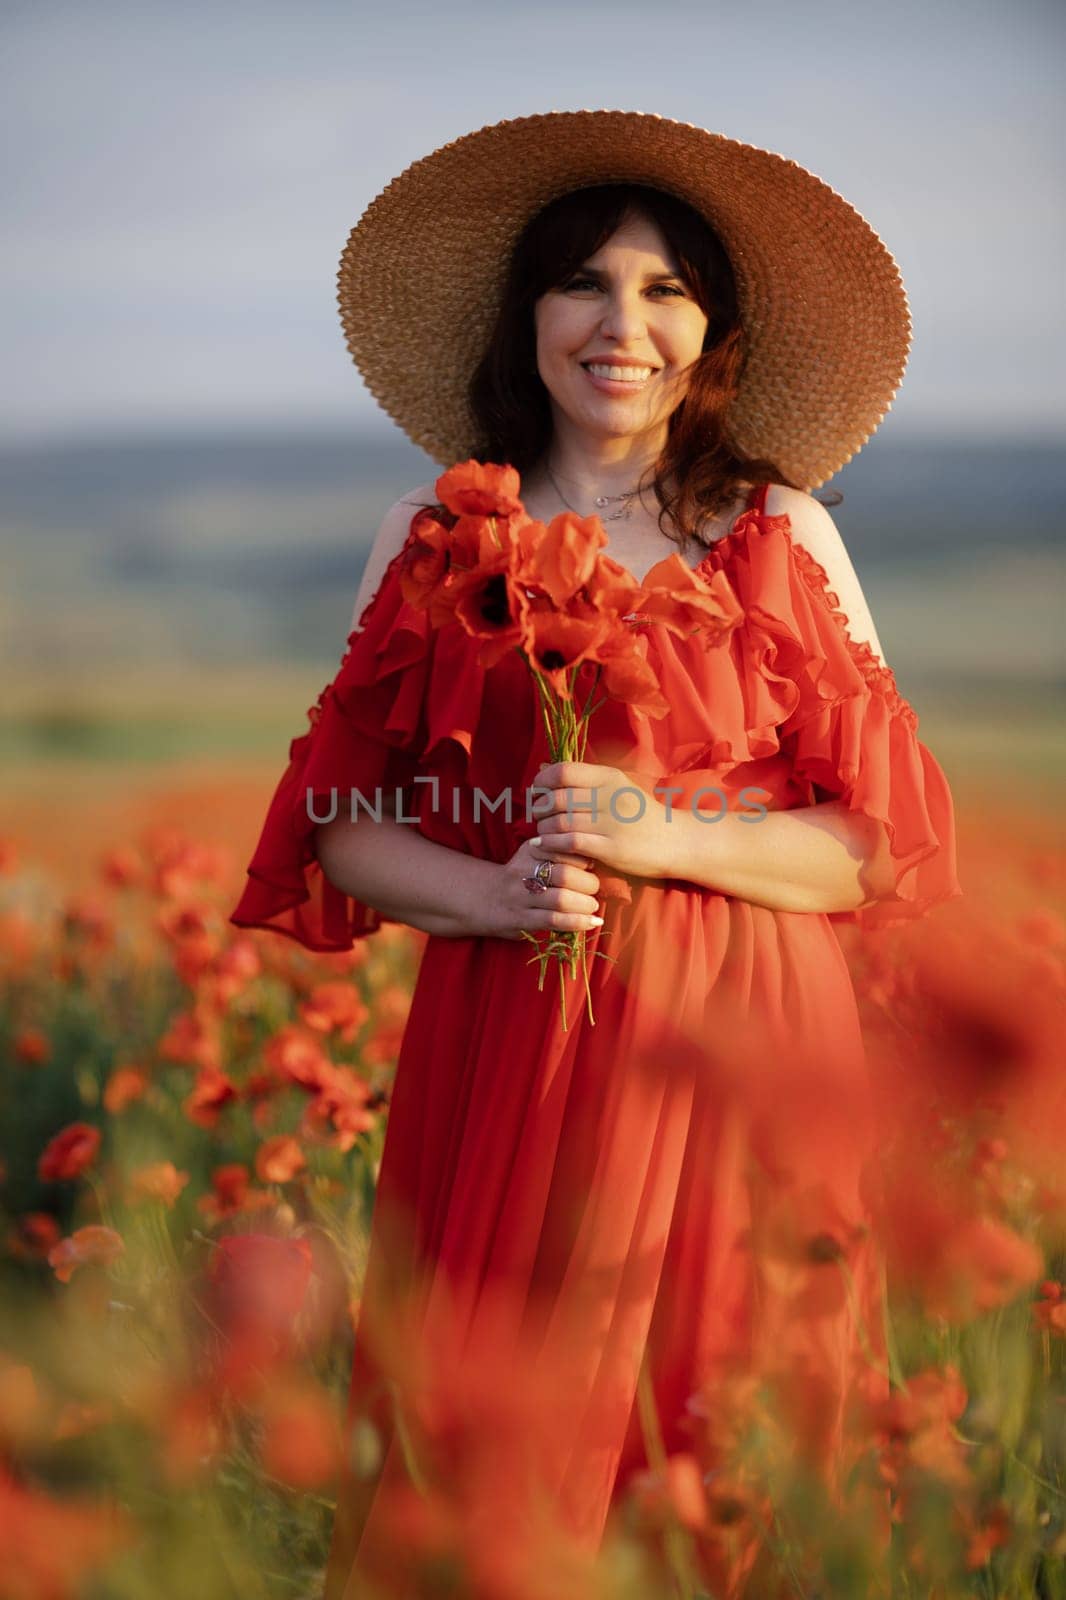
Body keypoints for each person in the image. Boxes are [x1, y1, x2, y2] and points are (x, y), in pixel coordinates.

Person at [230, 111, 961, 1598]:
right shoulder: (438, 533)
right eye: (583, 282)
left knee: (729, 1449)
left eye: (664, 288)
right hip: (514, 1037)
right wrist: (492, 893)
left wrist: (666, 833)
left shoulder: (777, 530)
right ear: (529, 317)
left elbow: (874, 850)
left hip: (742, 1044)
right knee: (498, 1453)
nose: (620, 324)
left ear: (713, 332)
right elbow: (346, 831)